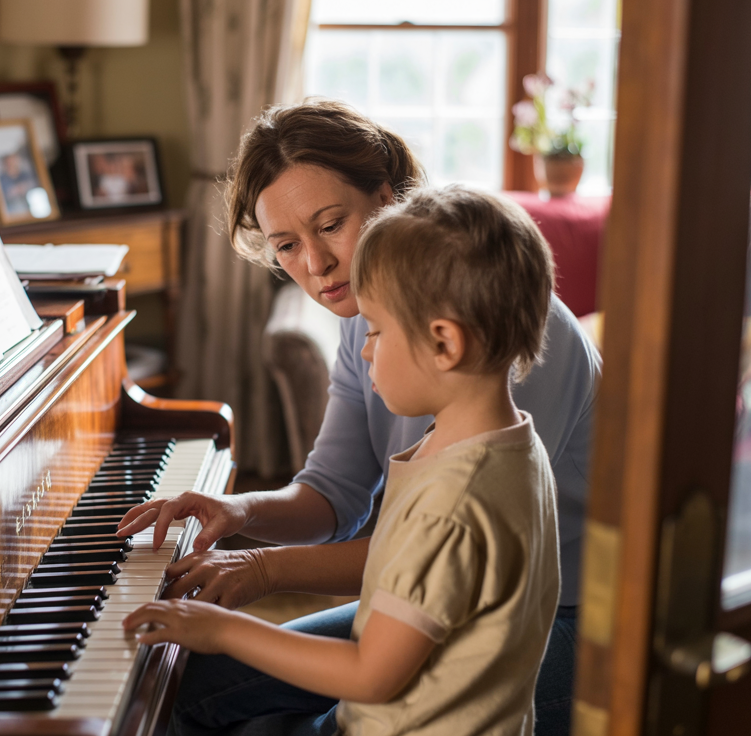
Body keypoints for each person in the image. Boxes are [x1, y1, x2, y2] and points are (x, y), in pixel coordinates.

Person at [116, 99, 600, 736]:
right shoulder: (369, 323)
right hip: (433, 598)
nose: (315, 265)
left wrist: (263, 571)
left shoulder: (499, 337)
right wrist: (240, 513)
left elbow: (431, 544)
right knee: (186, 686)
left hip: (553, 621)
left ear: (389, 197)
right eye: (288, 245)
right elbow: (336, 493)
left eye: (331, 225)